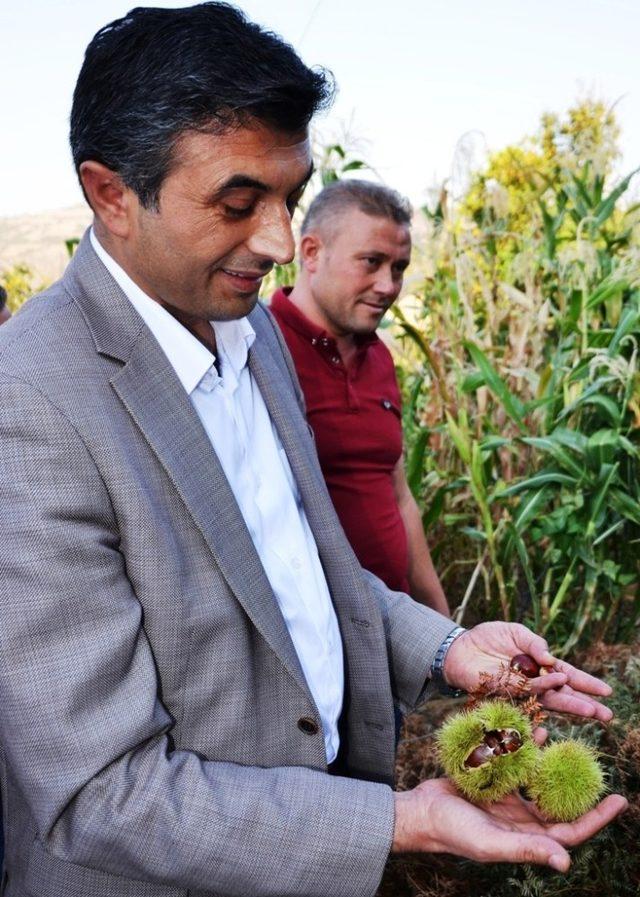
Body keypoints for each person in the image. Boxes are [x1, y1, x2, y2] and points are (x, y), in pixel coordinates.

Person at [0, 5, 626, 897]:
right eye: (237, 201)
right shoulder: (27, 404)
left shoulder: (250, 328)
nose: (277, 239)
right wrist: (399, 821)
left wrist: (448, 649)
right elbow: (102, 792)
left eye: (290, 194)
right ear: (110, 196)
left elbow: (299, 570)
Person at [270, 181, 449, 615]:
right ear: (311, 253)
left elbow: (397, 494)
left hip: (396, 626)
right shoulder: (260, 349)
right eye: (371, 262)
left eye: (399, 267)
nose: (388, 286)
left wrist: (440, 621)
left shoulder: (380, 357)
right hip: (317, 632)